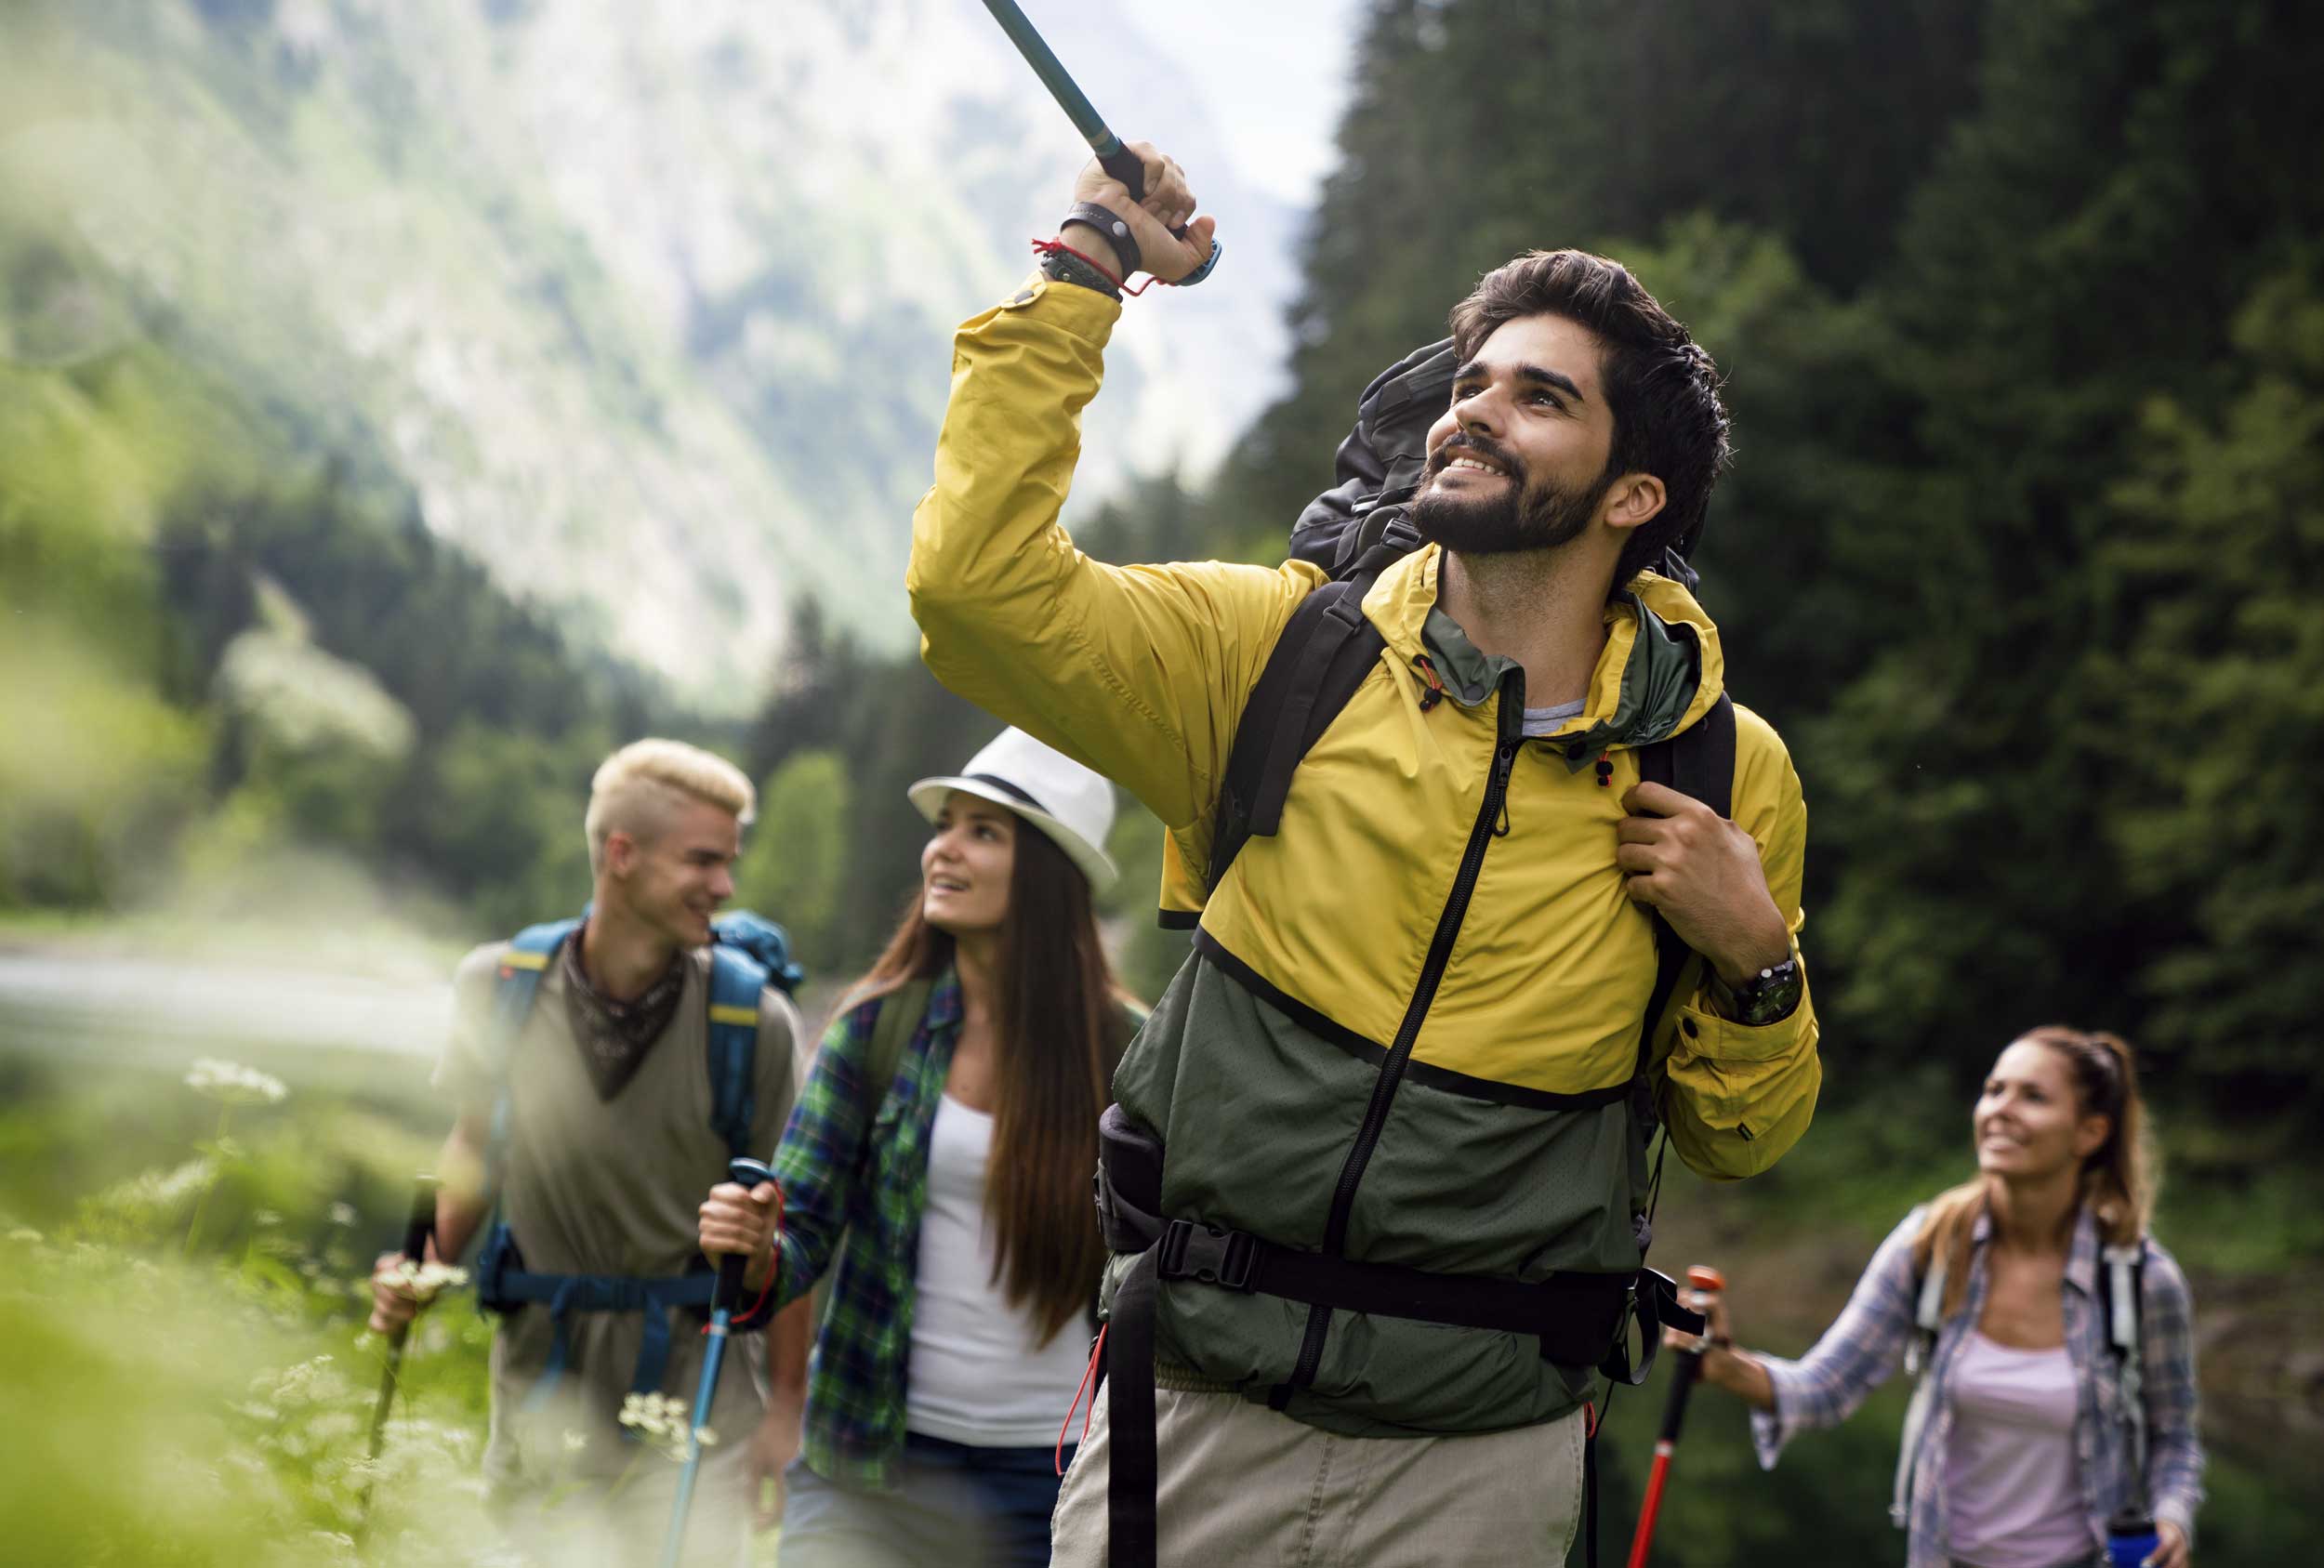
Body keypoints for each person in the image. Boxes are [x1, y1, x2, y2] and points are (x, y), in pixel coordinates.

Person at [899, 144, 1822, 1565]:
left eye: (1539, 395)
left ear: (1635, 495)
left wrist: (1759, 957)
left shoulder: (1722, 770)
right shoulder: (1272, 654)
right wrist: (1090, 263)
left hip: (1489, 1456)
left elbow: (1739, 1135)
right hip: (1196, 1409)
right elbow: (976, 592)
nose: (1475, 411)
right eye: (1472, 381)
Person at [696, 727, 1143, 1568]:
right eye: (946, 823)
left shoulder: (1132, 1054)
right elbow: (799, 1228)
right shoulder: (875, 1026)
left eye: (984, 831)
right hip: (866, 1464)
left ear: (1049, 871)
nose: (943, 847)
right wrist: (756, 1245)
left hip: (1050, 1475)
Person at [366, 738, 813, 1566]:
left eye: (729, 863)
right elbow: (475, 1145)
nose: (725, 886)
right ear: (621, 854)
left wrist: (786, 1407)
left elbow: (780, 1227)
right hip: (540, 1385)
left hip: (698, 1404)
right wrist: (420, 1267)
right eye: (704, 860)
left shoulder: (754, 1024)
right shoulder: (498, 987)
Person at [1679, 1028, 2204, 1568]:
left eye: (2033, 1096)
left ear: (2090, 1133)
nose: (2000, 1109)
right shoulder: (1928, 1246)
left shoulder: (2141, 1280)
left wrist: (2172, 1518)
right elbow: (1824, 1388)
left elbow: (2174, 1437)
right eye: (1994, 1090)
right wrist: (1722, 1363)